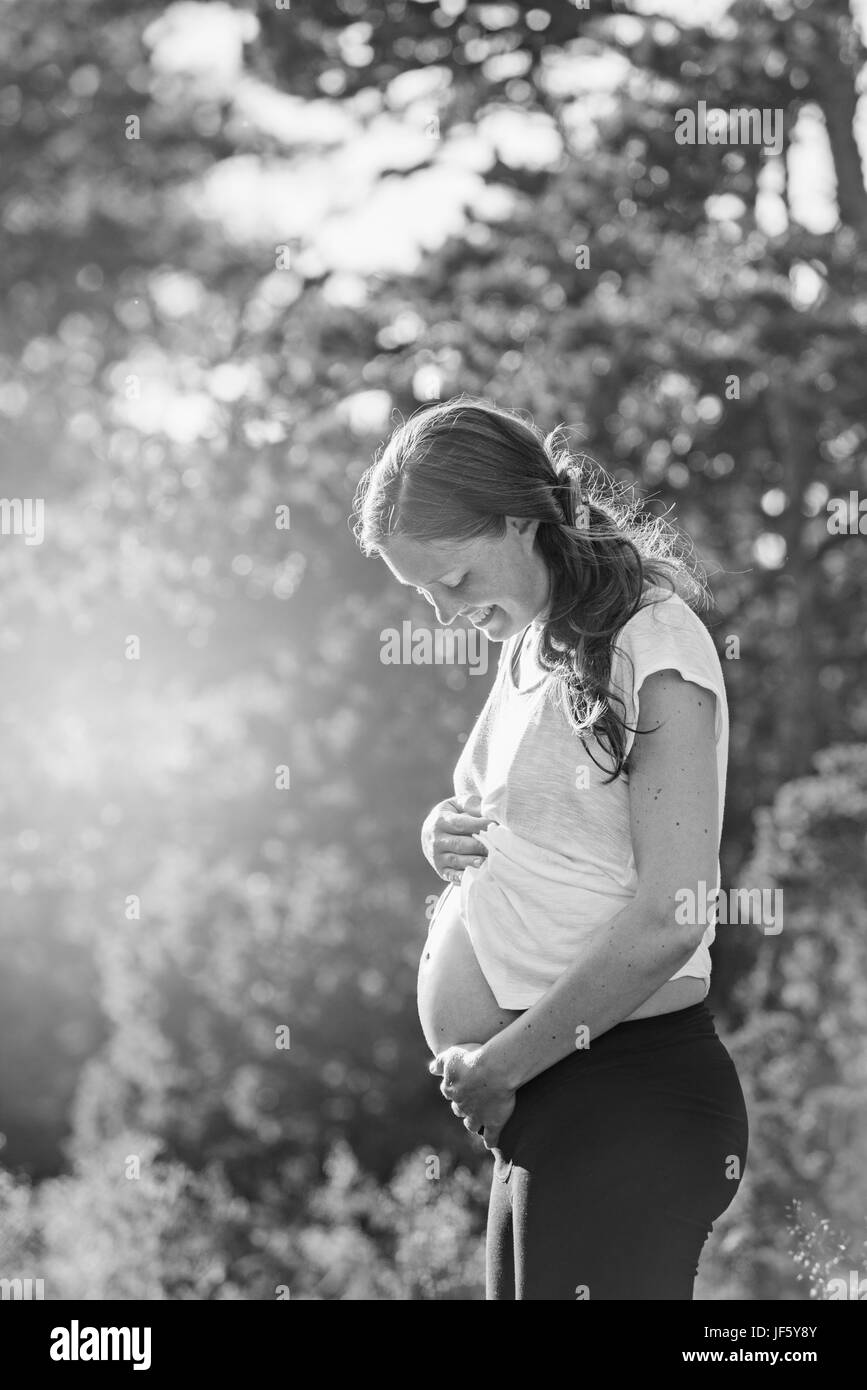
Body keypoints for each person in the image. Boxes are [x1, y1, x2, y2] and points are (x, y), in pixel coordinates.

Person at [351, 396, 749, 1300]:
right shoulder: (535, 643)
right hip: (548, 1101)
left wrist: (497, 1066)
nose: (446, 613)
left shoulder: (656, 642)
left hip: (626, 1097)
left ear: (519, 519)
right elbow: (508, 816)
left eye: (453, 580)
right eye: (422, 597)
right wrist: (437, 832)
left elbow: (671, 917)